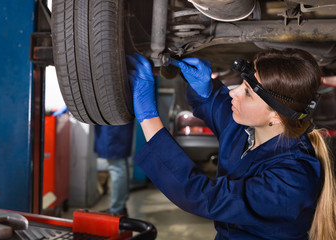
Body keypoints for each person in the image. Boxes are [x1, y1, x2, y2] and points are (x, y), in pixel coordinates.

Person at [127, 49, 336, 239]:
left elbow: (204, 197)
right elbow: (216, 105)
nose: (233, 92)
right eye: (243, 84)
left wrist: (148, 116)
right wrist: (205, 88)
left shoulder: (293, 178)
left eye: (247, 92)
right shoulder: (246, 130)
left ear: (277, 116)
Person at [94, 122, 134, 216]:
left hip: (113, 122)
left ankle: (117, 210)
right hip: (115, 121)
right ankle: (119, 206)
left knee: (117, 165)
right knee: (120, 163)